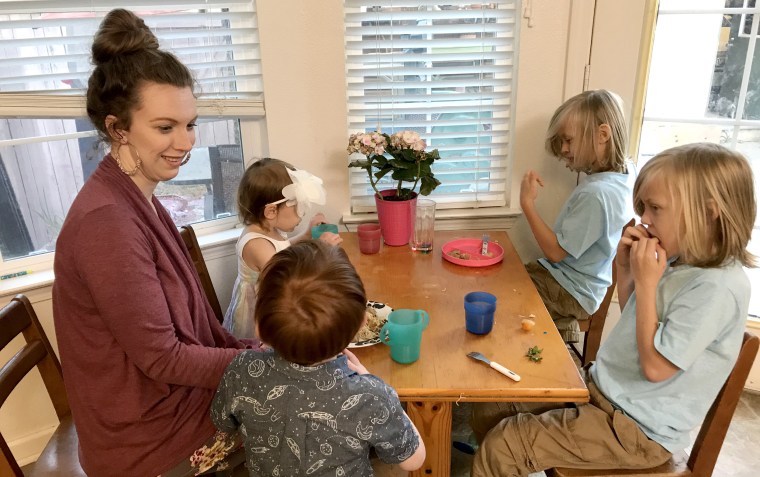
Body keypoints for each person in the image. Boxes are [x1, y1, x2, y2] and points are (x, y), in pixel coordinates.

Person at [52, 9, 256, 477]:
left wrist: (262, 351)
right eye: (165, 128)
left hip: (166, 410)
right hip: (145, 445)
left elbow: (194, 334)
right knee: (317, 426)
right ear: (117, 129)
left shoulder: (138, 198)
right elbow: (163, 357)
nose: (184, 142)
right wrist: (265, 362)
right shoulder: (107, 223)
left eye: (190, 124)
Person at [472, 142, 755, 476]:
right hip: (603, 394)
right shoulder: (680, 261)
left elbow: (657, 367)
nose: (644, 219)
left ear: (709, 212)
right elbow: (640, 320)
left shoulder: (718, 287)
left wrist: (648, 284)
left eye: (655, 209)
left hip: (636, 431)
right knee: (492, 403)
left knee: (504, 446)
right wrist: (628, 274)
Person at [211, 240, 426, 476]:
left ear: (259, 327)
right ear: (361, 324)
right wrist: (378, 387)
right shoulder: (371, 396)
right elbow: (413, 460)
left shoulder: (241, 369)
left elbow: (222, 421)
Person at [520, 89, 634, 343]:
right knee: (513, 276)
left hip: (572, 289)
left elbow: (556, 252)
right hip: (579, 284)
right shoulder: (625, 176)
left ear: (603, 135)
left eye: (569, 140)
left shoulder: (597, 194)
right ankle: (560, 328)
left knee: (511, 293)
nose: (564, 149)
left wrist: (527, 204)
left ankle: (560, 335)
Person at [223, 158, 343, 339]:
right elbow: (287, 275)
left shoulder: (268, 229)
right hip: (259, 314)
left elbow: (283, 251)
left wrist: (306, 235)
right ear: (271, 211)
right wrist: (322, 249)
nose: (301, 214)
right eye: (298, 208)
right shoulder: (257, 244)